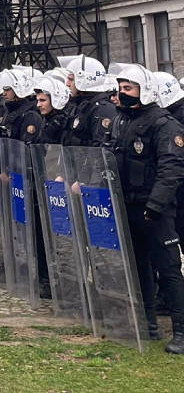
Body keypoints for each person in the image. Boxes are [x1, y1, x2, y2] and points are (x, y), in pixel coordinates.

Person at [108, 63, 184, 353]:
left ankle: (180, 331)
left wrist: (154, 206)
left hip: (156, 210)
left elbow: (172, 170)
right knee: (139, 266)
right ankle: (147, 322)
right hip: (128, 204)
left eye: (128, 88)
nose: (122, 94)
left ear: (145, 90)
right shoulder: (121, 120)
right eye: (121, 88)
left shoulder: (165, 125)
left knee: (168, 269)